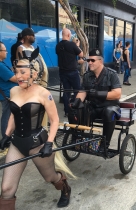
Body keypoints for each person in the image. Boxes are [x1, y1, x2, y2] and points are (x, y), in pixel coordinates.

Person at [0, 47, 74, 209]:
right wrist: (6, 135)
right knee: (6, 189)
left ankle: (65, 188)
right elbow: (13, 114)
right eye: (16, 71)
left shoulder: (43, 93)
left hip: (38, 144)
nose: (18, 76)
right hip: (17, 144)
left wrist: (49, 143)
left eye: (22, 72)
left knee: (50, 178)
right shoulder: (14, 91)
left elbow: (54, 121)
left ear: (34, 73)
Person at [71, 48, 121, 150]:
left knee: (109, 112)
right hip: (93, 107)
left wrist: (99, 94)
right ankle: (77, 138)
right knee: (75, 109)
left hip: (109, 107)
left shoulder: (112, 74)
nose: (89, 63)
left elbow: (117, 94)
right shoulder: (87, 76)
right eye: (88, 60)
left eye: (92, 60)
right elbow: (82, 91)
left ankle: (104, 144)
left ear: (100, 61)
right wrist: (76, 102)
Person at [56, 28, 84, 117]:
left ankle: (67, 111)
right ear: (68, 35)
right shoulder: (72, 45)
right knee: (77, 90)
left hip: (62, 72)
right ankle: (75, 109)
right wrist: (77, 45)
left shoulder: (58, 46)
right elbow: (81, 54)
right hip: (72, 71)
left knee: (66, 91)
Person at [0, 42, 17, 137]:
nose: (6, 52)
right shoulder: (0, 65)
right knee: (7, 117)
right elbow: (14, 79)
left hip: (7, 94)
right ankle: (6, 138)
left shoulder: (2, 64)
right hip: (7, 95)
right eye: (4, 50)